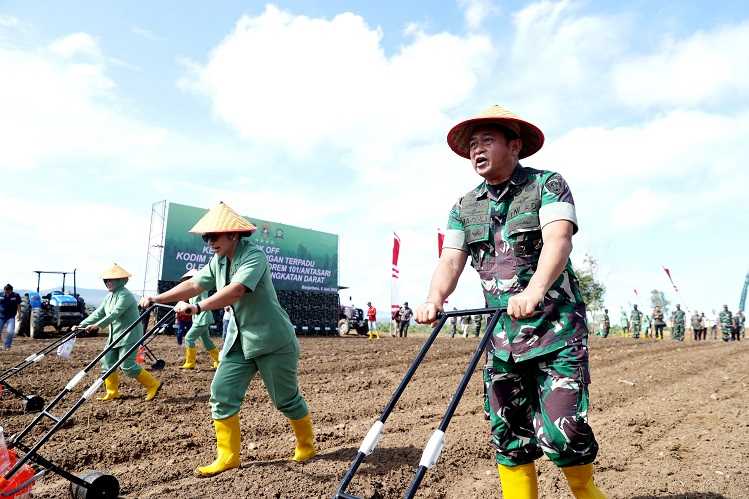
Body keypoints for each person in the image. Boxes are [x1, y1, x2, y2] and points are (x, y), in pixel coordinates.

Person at [415, 105, 604, 498]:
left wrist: (534, 290)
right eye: (472, 145)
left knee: (564, 432)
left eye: (486, 141)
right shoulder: (464, 207)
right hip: (501, 341)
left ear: (514, 145)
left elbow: (559, 240)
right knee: (510, 436)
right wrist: (434, 298)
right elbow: (451, 259)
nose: (476, 150)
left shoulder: (547, 185)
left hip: (556, 334)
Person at [139, 202, 315, 477]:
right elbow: (195, 284)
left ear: (233, 234)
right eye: (206, 238)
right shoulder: (218, 261)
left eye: (214, 236)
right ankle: (228, 457)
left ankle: (306, 444)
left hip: (272, 340)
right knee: (221, 393)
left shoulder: (254, 256)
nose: (209, 242)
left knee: (285, 400)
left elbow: (236, 291)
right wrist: (156, 298)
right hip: (238, 341)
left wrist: (197, 307)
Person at [76, 264, 162, 402]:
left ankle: (153, 385)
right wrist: (81, 325)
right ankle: (112, 392)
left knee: (127, 366)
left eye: (112, 280)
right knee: (107, 362)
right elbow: (99, 313)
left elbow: (115, 313)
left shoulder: (125, 295)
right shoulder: (109, 297)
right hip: (115, 335)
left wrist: (98, 326)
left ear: (122, 280)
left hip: (130, 334)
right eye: (106, 280)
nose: (108, 283)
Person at [178, 269, 221, 369]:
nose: (188, 280)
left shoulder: (202, 288)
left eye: (189, 278)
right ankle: (218, 361)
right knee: (207, 341)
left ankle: (190, 362)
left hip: (202, 317)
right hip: (199, 318)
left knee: (189, 338)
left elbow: (203, 302)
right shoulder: (193, 292)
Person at [1, 284, 22, 349]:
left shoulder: (16, 295)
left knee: (10, 331)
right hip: (1, 316)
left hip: (11, 316)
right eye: (5, 291)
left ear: (11, 291)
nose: (6, 293)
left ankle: (7, 345)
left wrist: (19, 314)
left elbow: (18, 305)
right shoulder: (0, 295)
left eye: (8, 292)